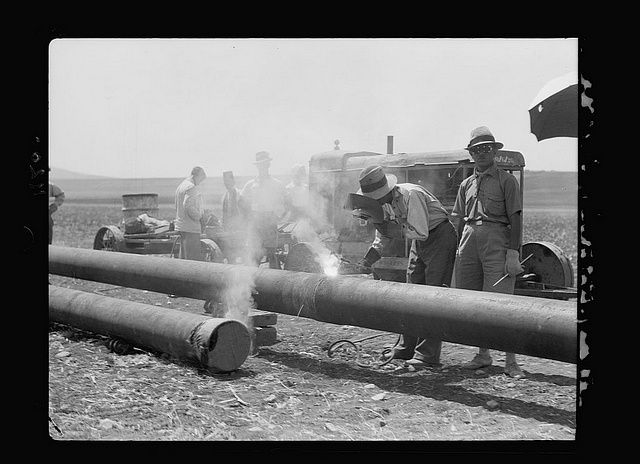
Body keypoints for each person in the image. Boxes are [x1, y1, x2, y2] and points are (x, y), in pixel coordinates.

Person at [356, 165, 458, 368]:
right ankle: (405, 347)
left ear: (386, 191)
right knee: (409, 292)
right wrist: (369, 259)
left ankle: (427, 354)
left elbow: (420, 231)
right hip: (419, 242)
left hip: (439, 236)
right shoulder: (382, 204)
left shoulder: (412, 194)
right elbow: (384, 236)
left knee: (433, 295)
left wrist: (394, 230)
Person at [451, 126, 525, 378]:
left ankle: (511, 361)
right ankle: (483, 354)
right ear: (471, 154)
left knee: (501, 303)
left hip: (497, 239)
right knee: (473, 301)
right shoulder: (466, 184)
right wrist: (457, 250)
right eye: (476, 150)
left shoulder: (507, 181)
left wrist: (513, 252)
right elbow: (459, 219)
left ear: (494, 152)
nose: (481, 154)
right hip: (469, 241)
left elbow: (515, 218)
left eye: (486, 149)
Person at [240, 151, 286, 268]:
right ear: (257, 166)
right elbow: (241, 201)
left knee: (272, 253)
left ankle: (274, 281)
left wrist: (278, 215)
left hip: (270, 220)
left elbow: (286, 200)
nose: (262, 167)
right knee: (254, 254)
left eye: (265, 164)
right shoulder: (250, 184)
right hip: (255, 221)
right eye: (260, 164)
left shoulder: (276, 184)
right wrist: (247, 217)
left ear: (269, 165)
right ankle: (252, 282)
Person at [174, 166, 207, 261]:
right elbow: (188, 206)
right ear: (197, 176)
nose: (200, 183)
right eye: (200, 180)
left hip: (182, 226)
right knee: (192, 260)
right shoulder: (191, 187)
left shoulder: (181, 186)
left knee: (184, 258)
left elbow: (177, 205)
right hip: (191, 228)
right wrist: (199, 216)